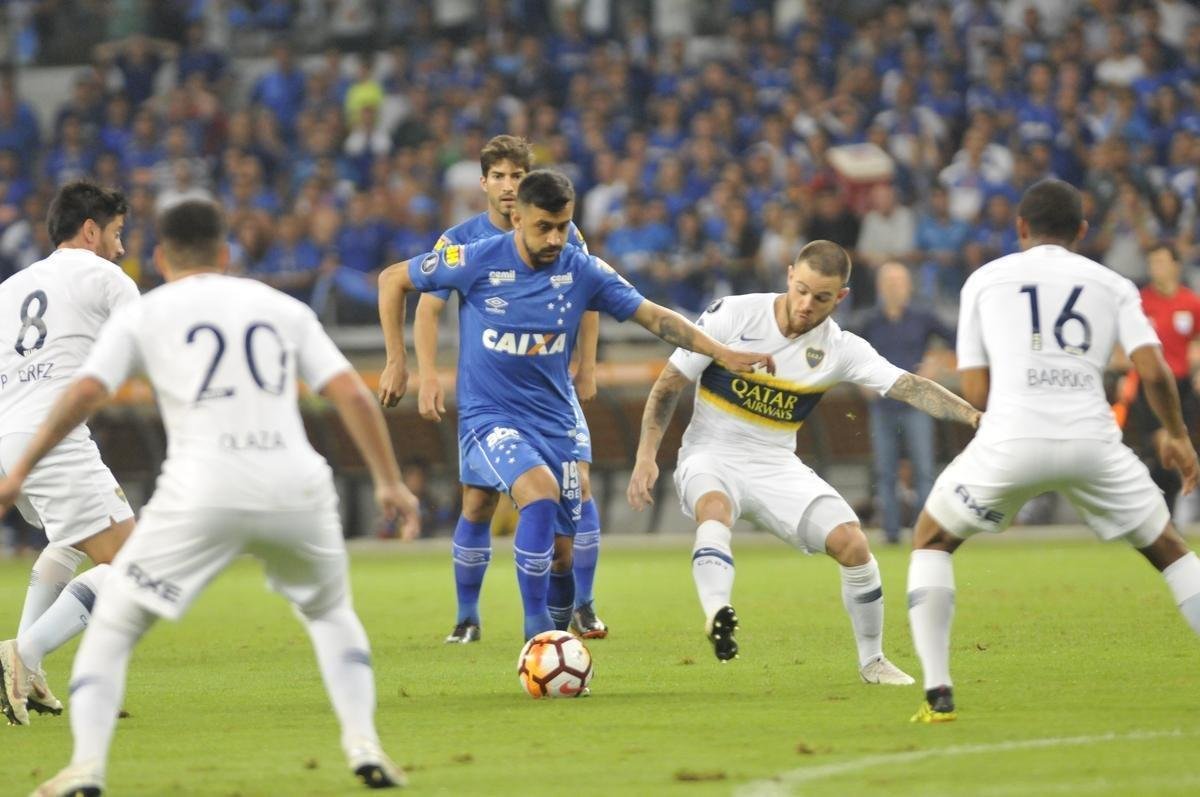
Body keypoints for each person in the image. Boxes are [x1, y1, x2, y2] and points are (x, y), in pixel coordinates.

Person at [1, 200, 421, 793]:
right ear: (226, 254)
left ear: (161, 258)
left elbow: (86, 392)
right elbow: (351, 393)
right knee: (331, 615)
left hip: (198, 485)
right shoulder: (281, 307)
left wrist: (19, 468)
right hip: (294, 482)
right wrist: (389, 481)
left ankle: (83, 763)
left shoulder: (133, 309)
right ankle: (363, 744)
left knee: (116, 623)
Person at [377, 169, 774, 641]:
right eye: (543, 227)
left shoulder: (582, 269)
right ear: (517, 219)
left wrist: (721, 352)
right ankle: (535, 636)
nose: (554, 238)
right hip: (490, 418)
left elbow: (653, 316)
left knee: (563, 554)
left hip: (554, 419)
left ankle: (560, 637)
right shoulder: (475, 258)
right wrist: (397, 361)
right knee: (537, 494)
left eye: (562, 226)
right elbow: (392, 279)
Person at [907, 180, 1200, 723]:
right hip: (1093, 441)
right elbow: (1154, 370)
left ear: (1021, 227)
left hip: (1011, 437)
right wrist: (1178, 435)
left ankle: (937, 691)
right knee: (1171, 551)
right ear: (1081, 232)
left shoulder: (985, 280)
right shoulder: (1113, 284)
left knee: (932, 539)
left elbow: (975, 389)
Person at [626, 240, 979, 681]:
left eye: (822, 297)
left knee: (853, 544)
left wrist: (973, 416)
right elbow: (669, 384)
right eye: (802, 290)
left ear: (841, 297)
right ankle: (718, 613)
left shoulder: (841, 348)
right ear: (790, 275)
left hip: (776, 465)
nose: (807, 304)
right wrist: (646, 456)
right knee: (713, 509)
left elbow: (909, 386)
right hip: (710, 454)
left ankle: (872, 661)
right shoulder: (733, 315)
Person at [391, 135, 607, 644]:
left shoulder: (562, 232)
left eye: (518, 176)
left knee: (576, 487)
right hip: (490, 401)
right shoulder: (460, 240)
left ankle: (582, 605)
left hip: (552, 394)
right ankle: (467, 617)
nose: (509, 186)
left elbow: (592, 294)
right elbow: (427, 308)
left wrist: (588, 365)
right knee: (478, 504)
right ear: (484, 183)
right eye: (500, 176)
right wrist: (425, 374)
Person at [0, 181, 138, 726]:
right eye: (118, 233)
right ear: (91, 230)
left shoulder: (10, 287)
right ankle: (24, 653)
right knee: (134, 567)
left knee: (68, 541)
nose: (121, 248)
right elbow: (150, 341)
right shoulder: (104, 276)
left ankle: (26, 673)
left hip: (9, 438)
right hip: (52, 438)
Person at [854, 262, 955, 543]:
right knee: (885, 472)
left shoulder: (922, 317)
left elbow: (955, 339)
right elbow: (846, 351)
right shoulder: (869, 321)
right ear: (880, 287)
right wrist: (861, 381)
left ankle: (925, 533)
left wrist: (936, 364)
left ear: (909, 286)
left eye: (899, 282)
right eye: (889, 282)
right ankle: (891, 533)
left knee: (924, 470)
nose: (894, 288)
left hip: (915, 405)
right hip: (882, 405)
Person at [1124, 243, 1200, 514]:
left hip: (1183, 387)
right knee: (1162, 448)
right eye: (1152, 263)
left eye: (1161, 262)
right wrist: (1126, 374)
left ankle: (1171, 511)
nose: (1156, 268)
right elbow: (1124, 346)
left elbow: (1197, 341)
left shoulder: (1191, 303)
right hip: (1150, 386)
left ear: (1176, 266)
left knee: (1178, 448)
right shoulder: (1140, 303)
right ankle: (1164, 512)